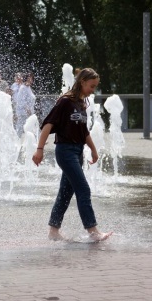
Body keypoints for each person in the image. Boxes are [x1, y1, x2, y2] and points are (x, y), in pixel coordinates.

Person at [32, 68, 113, 242]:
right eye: (91, 86)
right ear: (82, 82)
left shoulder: (81, 103)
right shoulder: (65, 102)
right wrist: (39, 149)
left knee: (65, 192)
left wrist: (93, 149)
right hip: (65, 151)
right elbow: (47, 125)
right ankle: (93, 231)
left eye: (95, 87)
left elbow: (84, 131)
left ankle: (53, 231)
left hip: (77, 152)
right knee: (83, 189)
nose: (93, 90)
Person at [14, 72, 35, 137]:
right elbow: (21, 100)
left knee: (32, 126)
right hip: (23, 112)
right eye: (29, 78)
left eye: (31, 78)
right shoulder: (23, 88)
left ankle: (37, 140)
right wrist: (27, 109)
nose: (31, 80)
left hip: (29, 111)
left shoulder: (28, 87)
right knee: (20, 128)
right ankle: (16, 141)